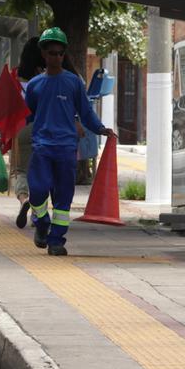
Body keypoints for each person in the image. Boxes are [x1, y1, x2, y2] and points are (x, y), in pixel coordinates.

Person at [24, 27, 116, 256]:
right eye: (52, 53)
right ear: (43, 54)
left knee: (63, 197)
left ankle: (57, 241)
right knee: (37, 189)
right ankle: (41, 221)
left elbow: (85, 112)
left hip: (66, 148)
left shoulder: (73, 82)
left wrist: (100, 128)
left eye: (60, 53)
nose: (56, 57)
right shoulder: (34, 85)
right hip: (42, 147)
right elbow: (31, 113)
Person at [10, 37, 45, 228]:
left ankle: (24, 200)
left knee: (20, 171)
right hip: (44, 128)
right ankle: (39, 215)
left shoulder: (15, 75)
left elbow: (5, 105)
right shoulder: (48, 75)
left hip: (22, 129)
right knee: (42, 172)